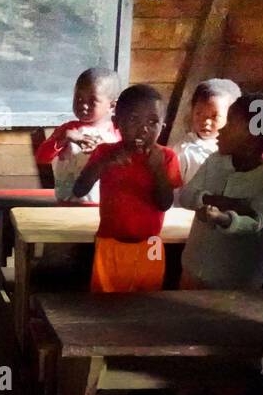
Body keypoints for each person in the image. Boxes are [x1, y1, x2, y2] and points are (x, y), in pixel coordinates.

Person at [72, 84, 182, 293]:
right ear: (116, 123)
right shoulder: (105, 153)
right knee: (105, 302)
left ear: (163, 126)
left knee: (147, 303)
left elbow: (165, 203)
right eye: (133, 120)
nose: (144, 128)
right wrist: (104, 164)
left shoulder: (165, 158)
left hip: (150, 245)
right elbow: (79, 189)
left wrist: (157, 170)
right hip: (109, 242)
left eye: (153, 122)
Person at [178, 93, 263, 289]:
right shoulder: (215, 162)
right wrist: (220, 201)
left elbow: (255, 222)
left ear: (252, 137)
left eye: (230, 123)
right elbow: (186, 195)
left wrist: (223, 218)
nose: (221, 130)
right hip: (193, 268)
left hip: (236, 281)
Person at [32, 67, 121, 203]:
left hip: (104, 205)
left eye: (92, 101)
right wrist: (63, 138)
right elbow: (41, 158)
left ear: (112, 106)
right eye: (79, 99)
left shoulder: (118, 134)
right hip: (67, 203)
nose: (83, 105)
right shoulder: (67, 130)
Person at [173, 78, 242, 191]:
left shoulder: (238, 149)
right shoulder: (183, 151)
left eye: (215, 116)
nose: (206, 122)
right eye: (199, 114)